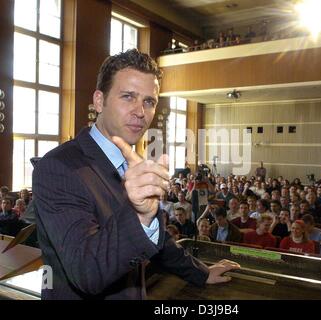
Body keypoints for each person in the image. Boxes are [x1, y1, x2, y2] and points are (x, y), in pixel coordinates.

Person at [32, 49, 240, 300]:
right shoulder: (59, 167)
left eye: (149, 101)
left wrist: (201, 273)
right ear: (99, 101)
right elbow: (85, 270)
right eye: (128, 96)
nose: (141, 111)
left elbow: (157, 240)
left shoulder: (134, 165)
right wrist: (139, 215)